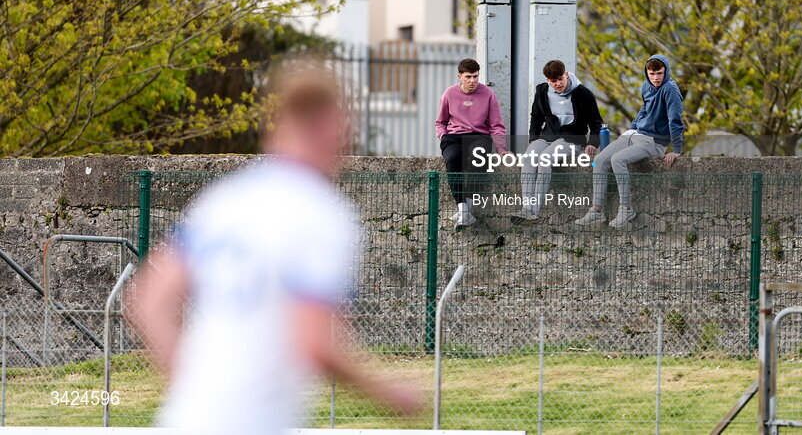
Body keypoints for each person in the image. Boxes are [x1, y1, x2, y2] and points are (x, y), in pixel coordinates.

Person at [128, 55, 420, 435]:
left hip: (184, 421)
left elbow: (147, 302)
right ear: (332, 125)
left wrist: (192, 385)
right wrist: (388, 393)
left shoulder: (225, 198)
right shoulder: (321, 214)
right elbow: (315, 342)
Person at [575, 53, 685, 228]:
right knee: (599, 160)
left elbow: (676, 120)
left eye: (660, 73)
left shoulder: (670, 89)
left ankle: (626, 209)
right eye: (652, 74)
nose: (656, 78)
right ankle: (597, 210)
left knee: (618, 159)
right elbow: (644, 109)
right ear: (646, 73)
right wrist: (633, 126)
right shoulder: (645, 86)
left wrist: (677, 149)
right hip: (634, 133)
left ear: (666, 71)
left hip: (654, 142)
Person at [513, 59, 602, 222]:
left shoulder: (584, 94)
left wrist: (593, 143)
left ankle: (534, 211)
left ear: (566, 74)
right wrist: (533, 139)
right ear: (548, 81)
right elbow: (536, 117)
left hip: (572, 140)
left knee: (544, 159)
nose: (558, 83)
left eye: (560, 78)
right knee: (528, 158)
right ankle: (526, 208)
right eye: (553, 81)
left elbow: (596, 122)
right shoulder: (541, 91)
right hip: (547, 137)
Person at [434, 58, 508, 229]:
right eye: (468, 77)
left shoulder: (488, 94)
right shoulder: (449, 94)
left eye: (475, 76)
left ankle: (465, 211)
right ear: (459, 76)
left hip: (478, 136)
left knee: (480, 158)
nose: (473, 81)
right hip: (454, 137)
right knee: (453, 159)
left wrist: (501, 149)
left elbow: (496, 125)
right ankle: (463, 209)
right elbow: (440, 122)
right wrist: (443, 136)